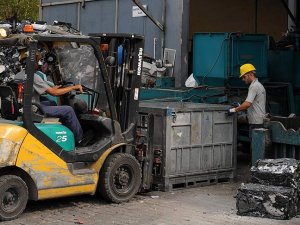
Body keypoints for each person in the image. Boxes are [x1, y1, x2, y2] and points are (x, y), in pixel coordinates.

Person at [32, 71, 84, 143]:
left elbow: (41, 89)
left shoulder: (23, 74)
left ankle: (65, 128)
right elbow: (54, 93)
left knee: (52, 103)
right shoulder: (33, 76)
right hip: (34, 108)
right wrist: (73, 87)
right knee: (69, 110)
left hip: (30, 104)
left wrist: (53, 88)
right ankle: (80, 140)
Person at [228, 63, 266, 139]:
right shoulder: (259, 85)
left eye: (244, 77)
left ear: (250, 74)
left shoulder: (254, 86)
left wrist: (233, 110)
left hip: (256, 123)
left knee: (255, 147)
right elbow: (252, 104)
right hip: (259, 121)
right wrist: (240, 106)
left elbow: (247, 104)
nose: (243, 80)